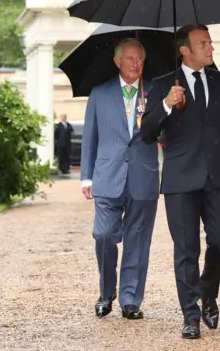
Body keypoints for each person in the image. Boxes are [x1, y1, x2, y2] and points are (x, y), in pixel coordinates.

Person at [141, 24, 220, 340]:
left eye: (211, 42)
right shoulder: (163, 85)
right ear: (185, 50)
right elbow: (147, 133)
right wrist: (165, 105)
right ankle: (191, 315)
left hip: (218, 176)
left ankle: (208, 291)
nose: (211, 47)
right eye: (204, 43)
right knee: (186, 249)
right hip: (180, 179)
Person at [80, 38, 159, 321]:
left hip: (143, 175)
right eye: (129, 59)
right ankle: (106, 291)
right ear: (117, 61)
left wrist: (169, 107)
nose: (136, 64)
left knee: (138, 240)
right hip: (107, 176)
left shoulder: (156, 91)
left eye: (140, 59)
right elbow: (90, 137)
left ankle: (130, 299)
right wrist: (85, 177)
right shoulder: (99, 94)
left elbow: (164, 134)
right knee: (103, 235)